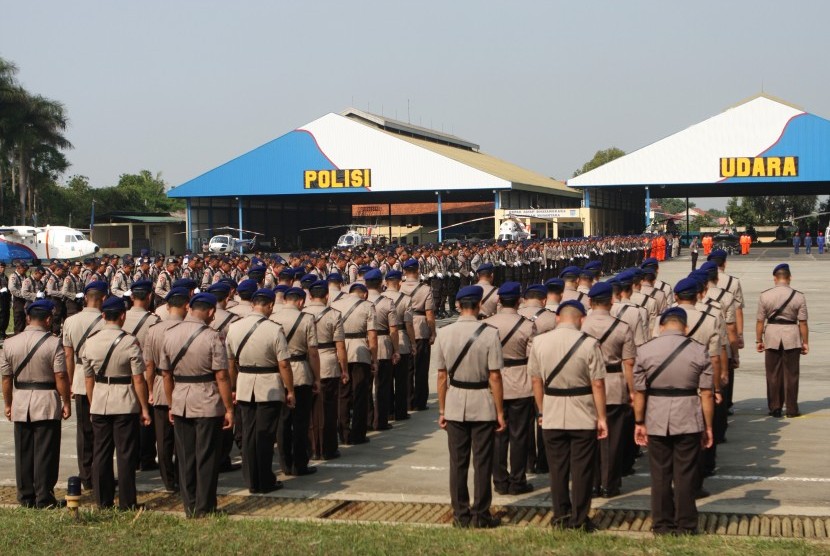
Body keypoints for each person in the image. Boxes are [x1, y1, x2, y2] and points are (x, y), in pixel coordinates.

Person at [633, 307, 714, 536]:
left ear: (661, 326)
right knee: (685, 473)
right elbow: (706, 393)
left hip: (656, 414)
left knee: (660, 473)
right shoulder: (699, 351)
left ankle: (662, 523)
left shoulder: (645, 351)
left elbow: (639, 392)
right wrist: (708, 426)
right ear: (685, 327)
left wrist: (639, 421)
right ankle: (686, 523)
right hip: (688, 414)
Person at [529, 300, 607, 531]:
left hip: (552, 409)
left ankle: (561, 514)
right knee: (582, 469)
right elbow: (598, 384)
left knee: (557, 468)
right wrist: (601, 416)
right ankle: (579, 517)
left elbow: (535, 380)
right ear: (581, 319)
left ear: (557, 318)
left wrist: (542, 409)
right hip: (582, 411)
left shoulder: (540, 342)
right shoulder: (590, 344)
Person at [434, 285, 505, 528]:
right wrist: (500, 411)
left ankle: (460, 515)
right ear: (478, 306)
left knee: (458, 463)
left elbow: (441, 376)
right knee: (482, 462)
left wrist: (442, 410)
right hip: (482, 402)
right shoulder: (490, 333)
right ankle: (481, 515)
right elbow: (495, 376)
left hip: (455, 402)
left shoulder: (444, 333)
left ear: (457, 306)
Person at [160, 292, 234, 517]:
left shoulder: (169, 334)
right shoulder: (213, 337)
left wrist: (172, 404)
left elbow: (165, 375)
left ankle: (189, 505)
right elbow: (221, 376)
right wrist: (229, 408)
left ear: (190, 309)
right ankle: (205, 506)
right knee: (207, 456)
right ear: (211, 312)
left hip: (181, 398)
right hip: (206, 399)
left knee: (185, 456)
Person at [81, 296, 152, 510]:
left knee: (101, 452)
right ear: (122, 316)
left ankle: (103, 500)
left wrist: (93, 404)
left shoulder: (90, 341)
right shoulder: (129, 341)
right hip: (124, 399)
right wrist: (144, 408)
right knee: (125, 453)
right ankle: (128, 501)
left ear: (103, 316)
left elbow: (88, 378)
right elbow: (138, 378)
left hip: (101, 398)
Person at [1, 299, 71, 508]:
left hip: (21, 398)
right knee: (46, 452)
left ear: (29, 318)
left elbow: (6, 378)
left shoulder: (10, 343)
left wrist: (8, 403)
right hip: (46, 399)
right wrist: (66, 401)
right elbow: (60, 376)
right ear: (49, 319)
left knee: (23, 451)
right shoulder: (53, 343)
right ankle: (44, 496)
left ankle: (26, 496)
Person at [228, 288, 295, 492]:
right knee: (265, 435)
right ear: (270, 306)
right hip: (268, 384)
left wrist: (232, 387)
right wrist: (290, 390)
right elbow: (283, 364)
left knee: (248, 433)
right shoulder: (274, 329)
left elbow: (230, 364)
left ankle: (251, 479)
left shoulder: (234, 327)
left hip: (244, 384)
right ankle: (264, 479)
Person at [582, 282, 635, 499]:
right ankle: (609, 484)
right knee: (613, 439)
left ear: (590, 302)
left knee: (588, 438)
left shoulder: (581, 325)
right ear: (611, 301)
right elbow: (629, 363)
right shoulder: (622, 327)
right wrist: (632, 391)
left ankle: (592, 482)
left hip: (586, 384)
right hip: (614, 383)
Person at [484, 282, 535, 496]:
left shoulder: (487, 324)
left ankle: (500, 480)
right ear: (518, 300)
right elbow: (534, 359)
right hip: (521, 382)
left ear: (498, 301)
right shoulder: (527, 325)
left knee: (498, 433)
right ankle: (517, 480)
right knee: (519, 435)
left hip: (493, 384)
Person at [143, 287, 189, 493]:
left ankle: (168, 480)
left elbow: (149, 365)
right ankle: (183, 475)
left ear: (168, 307)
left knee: (163, 438)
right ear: (186, 307)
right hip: (185, 385)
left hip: (161, 385)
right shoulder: (190, 328)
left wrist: (150, 389)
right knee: (184, 436)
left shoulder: (153, 330)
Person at [62, 280, 107, 490]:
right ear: (103, 298)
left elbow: (68, 356)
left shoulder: (71, 321)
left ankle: (86, 474)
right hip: (103, 379)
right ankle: (101, 474)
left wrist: (71, 382)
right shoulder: (106, 320)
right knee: (103, 431)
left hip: (80, 379)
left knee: (84, 431)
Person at [270, 287, 319, 476]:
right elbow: (313, 352)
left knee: (283, 422)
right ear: (299, 301)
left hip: (279, 374)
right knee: (301, 421)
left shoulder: (274, 317)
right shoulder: (306, 319)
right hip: (300, 372)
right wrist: (317, 378)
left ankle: (285, 463)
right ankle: (300, 463)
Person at [756, 263, 808, 418]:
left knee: (772, 374)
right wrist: (805, 342)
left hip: (772, 334)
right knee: (792, 374)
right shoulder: (799, 296)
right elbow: (803, 322)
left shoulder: (765, 295)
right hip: (792, 335)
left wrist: (758, 340)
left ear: (775, 278)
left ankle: (775, 407)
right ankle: (792, 409)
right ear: (789, 278)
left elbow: (760, 321)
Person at [303, 280, 347, 460]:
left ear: (310, 296)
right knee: (329, 409)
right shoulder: (334, 315)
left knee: (311, 411)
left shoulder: (302, 315)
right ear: (327, 296)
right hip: (328, 363)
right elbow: (340, 347)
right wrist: (344, 369)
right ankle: (328, 448)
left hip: (307, 364)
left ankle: (313, 447)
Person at [122, 280, 161, 472]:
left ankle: (131, 457)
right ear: (149, 297)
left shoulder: (120, 317)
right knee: (147, 419)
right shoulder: (154, 321)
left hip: (121, 374)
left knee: (126, 419)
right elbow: (154, 357)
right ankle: (146, 458)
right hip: (145, 375)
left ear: (131, 297)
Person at [331, 282, 377, 445]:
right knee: (360, 394)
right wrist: (374, 358)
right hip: (360, 351)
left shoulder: (335, 305)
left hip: (339, 351)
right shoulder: (368, 306)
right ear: (364, 294)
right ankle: (358, 433)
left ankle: (343, 432)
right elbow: (372, 336)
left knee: (343, 394)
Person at [398, 259, 435, 411]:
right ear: (418, 271)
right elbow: (430, 314)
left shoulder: (398, 287)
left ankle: (407, 400)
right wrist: (433, 332)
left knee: (407, 368)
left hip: (403, 328)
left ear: (404, 271)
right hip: (420, 327)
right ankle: (420, 401)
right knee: (421, 367)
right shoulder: (425, 289)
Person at [9, 261, 29, 334]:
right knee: (19, 320)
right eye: (24, 269)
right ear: (18, 268)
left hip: (25, 300)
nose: (25, 271)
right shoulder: (13, 276)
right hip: (17, 300)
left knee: (25, 320)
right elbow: (12, 289)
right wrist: (23, 294)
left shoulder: (24, 276)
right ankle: (17, 338)